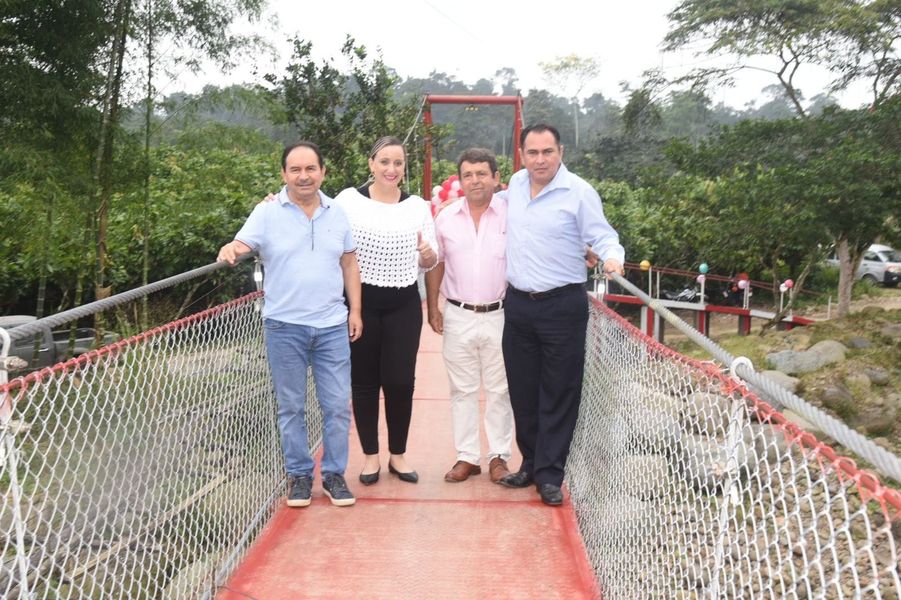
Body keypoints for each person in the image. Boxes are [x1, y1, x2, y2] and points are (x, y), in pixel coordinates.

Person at [217, 141, 362, 508]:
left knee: (337, 405)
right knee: (291, 407)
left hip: (331, 325)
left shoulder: (337, 212)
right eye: (295, 169)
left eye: (310, 168)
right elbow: (241, 242)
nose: (303, 176)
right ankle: (299, 475)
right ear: (284, 174)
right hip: (284, 326)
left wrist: (355, 311)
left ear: (323, 172)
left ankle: (334, 474)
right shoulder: (267, 212)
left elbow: (349, 263)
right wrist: (232, 248)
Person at [499, 124, 625, 506]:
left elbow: (603, 235)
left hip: (561, 306)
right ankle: (530, 464)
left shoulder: (579, 193)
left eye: (547, 152)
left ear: (561, 152)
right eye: (533, 153)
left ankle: (550, 475)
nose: (540, 160)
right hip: (518, 305)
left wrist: (611, 258)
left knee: (559, 391)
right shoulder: (515, 185)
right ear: (522, 155)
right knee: (523, 391)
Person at [333, 136, 438, 485]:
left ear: (404, 168)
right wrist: (278, 201)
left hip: (403, 304)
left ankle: (398, 454)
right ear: (371, 164)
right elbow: (316, 216)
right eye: (384, 162)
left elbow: (431, 257)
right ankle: (370, 457)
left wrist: (427, 255)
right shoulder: (348, 201)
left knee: (400, 381)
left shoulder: (417, 207)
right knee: (363, 381)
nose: (391, 169)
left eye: (398, 163)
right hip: (360, 303)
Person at [425, 148, 514, 484]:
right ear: (460, 181)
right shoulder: (445, 218)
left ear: (496, 178)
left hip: (501, 313)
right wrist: (432, 307)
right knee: (462, 389)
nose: (475, 180)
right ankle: (467, 457)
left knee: (500, 389)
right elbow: (436, 263)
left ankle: (499, 457)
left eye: (481, 174)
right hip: (458, 313)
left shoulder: (512, 215)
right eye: (468, 175)